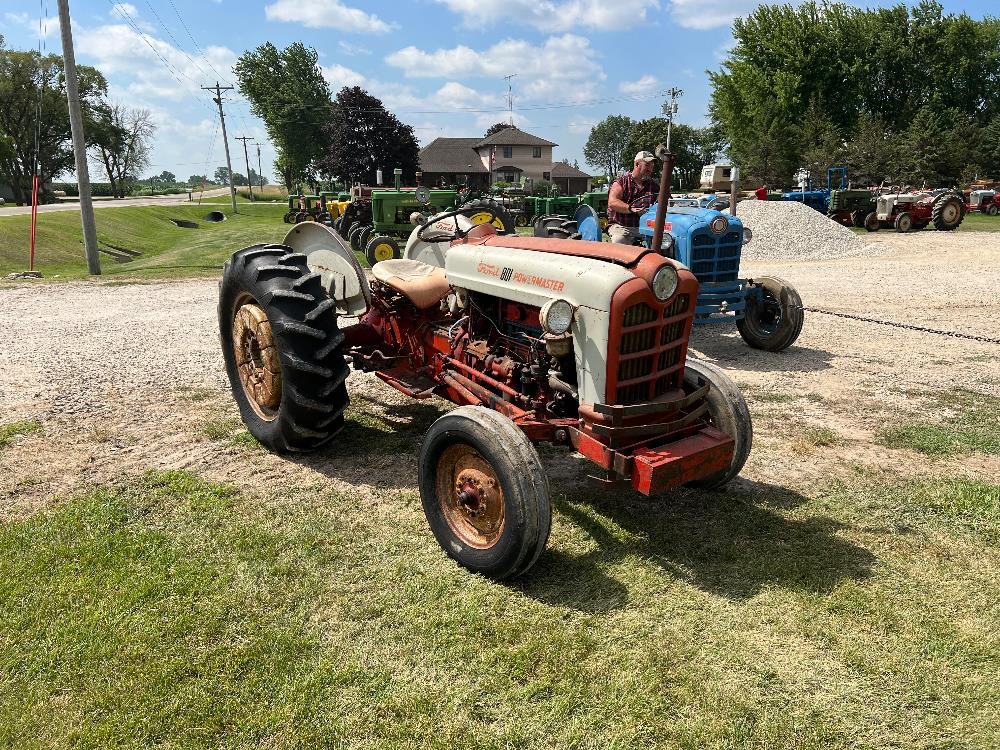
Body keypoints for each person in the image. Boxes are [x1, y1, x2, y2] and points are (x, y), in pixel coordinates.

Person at [606, 151, 657, 244]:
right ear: (637, 164)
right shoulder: (621, 182)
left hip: (646, 227)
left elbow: (665, 202)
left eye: (652, 166)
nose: (650, 169)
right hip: (622, 226)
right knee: (619, 240)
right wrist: (630, 209)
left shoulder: (653, 185)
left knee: (666, 241)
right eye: (647, 165)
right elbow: (612, 202)